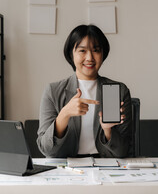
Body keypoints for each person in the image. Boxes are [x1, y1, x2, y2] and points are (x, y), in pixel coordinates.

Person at [37, 24, 132, 158]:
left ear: (103, 53)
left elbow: (123, 152)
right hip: (66, 168)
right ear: (71, 53)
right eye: (82, 51)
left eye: (96, 50)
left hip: (105, 166)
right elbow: (46, 149)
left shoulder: (120, 91)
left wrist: (107, 130)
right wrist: (64, 114)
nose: (90, 58)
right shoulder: (53, 91)